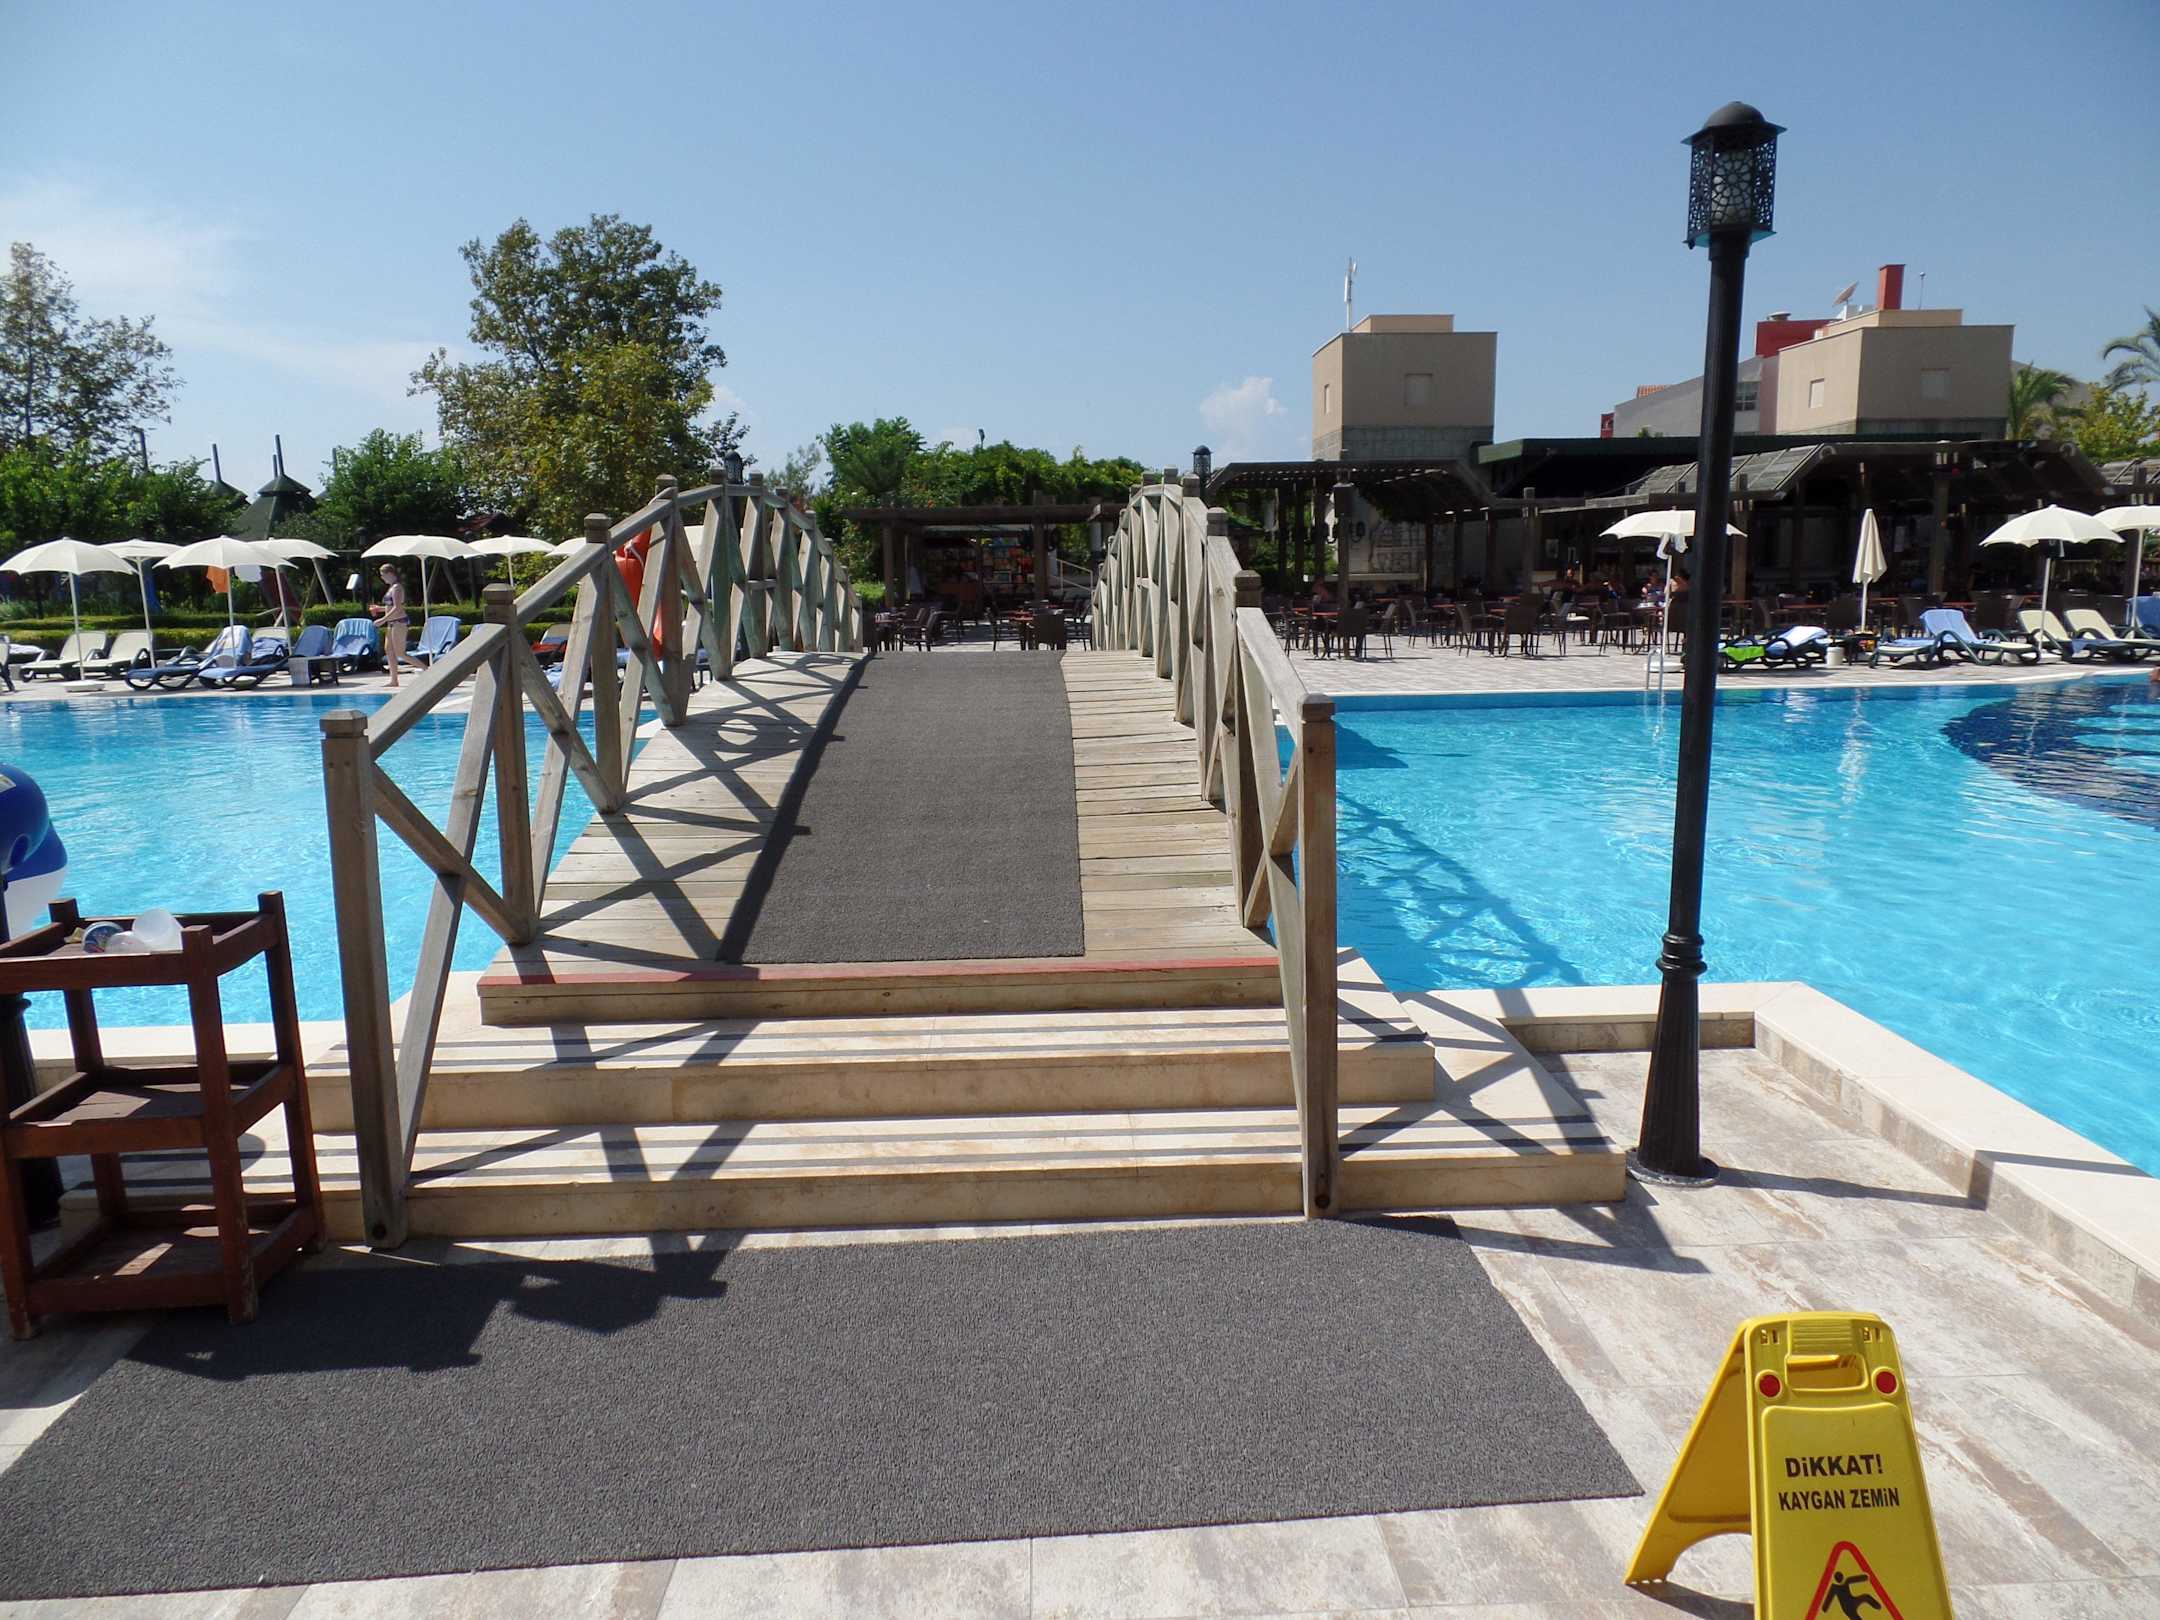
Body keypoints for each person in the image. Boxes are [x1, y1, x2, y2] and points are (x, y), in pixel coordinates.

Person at [370, 562, 411, 688]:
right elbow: (390, 606)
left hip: (399, 622)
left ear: (390, 574)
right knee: (389, 651)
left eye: (383, 575)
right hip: (392, 623)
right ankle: (394, 680)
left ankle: (428, 670)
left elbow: (397, 608)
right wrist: (380, 609)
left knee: (401, 653)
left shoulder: (397, 588)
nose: (382, 578)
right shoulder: (391, 587)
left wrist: (382, 620)